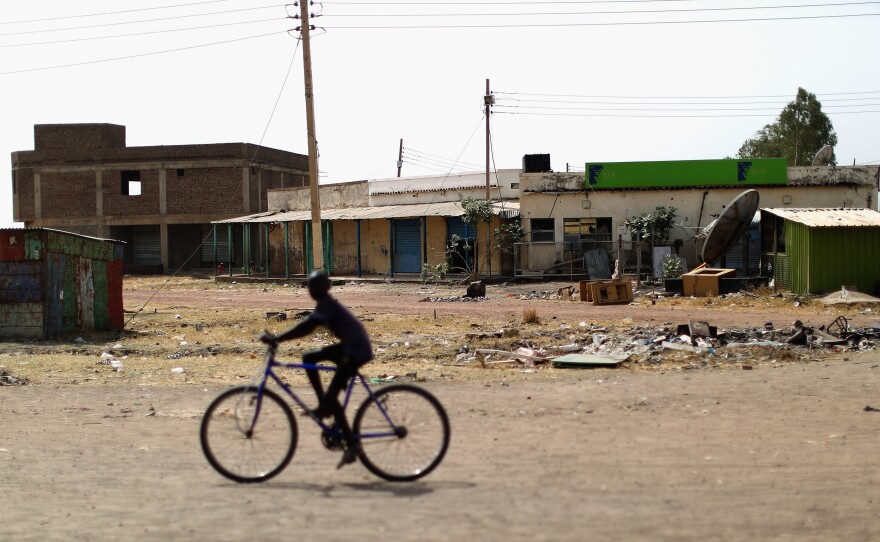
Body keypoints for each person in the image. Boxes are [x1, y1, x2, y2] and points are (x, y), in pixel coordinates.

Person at [259, 270, 373, 468]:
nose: (313, 290)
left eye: (317, 286)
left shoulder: (328, 306)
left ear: (326, 288)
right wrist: (279, 338)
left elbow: (306, 327)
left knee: (332, 397)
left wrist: (278, 339)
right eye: (310, 286)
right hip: (349, 346)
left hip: (355, 351)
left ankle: (352, 445)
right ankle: (324, 405)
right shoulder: (325, 305)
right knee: (309, 357)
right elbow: (307, 326)